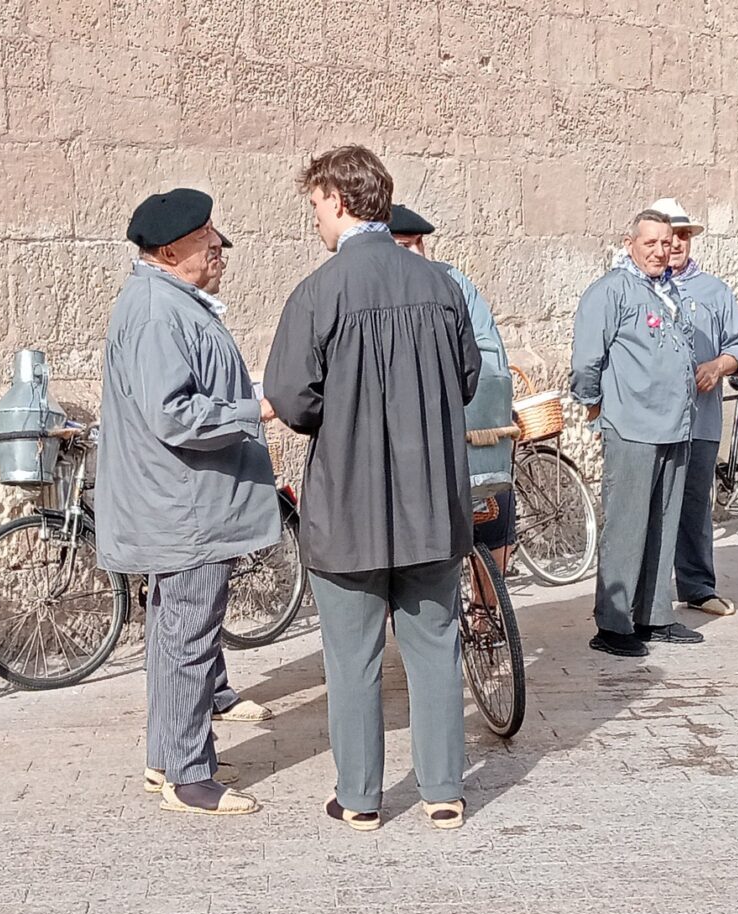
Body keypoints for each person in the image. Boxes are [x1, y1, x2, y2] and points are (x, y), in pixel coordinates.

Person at [264, 146, 480, 833]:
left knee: (351, 658)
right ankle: (444, 789)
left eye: (316, 207)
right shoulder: (442, 285)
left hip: (349, 506)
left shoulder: (319, 292)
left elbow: (291, 400)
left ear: (337, 199)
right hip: (431, 504)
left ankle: (360, 796)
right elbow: (468, 379)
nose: (316, 221)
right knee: (435, 645)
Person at [94, 187, 281, 816]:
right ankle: (189, 776)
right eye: (207, 238)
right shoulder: (156, 311)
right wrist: (252, 409)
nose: (220, 246)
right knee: (189, 639)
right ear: (172, 249)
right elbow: (173, 415)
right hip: (185, 509)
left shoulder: (167, 301)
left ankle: (167, 758)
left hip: (182, 505)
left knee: (176, 636)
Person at [570, 206, 705, 658]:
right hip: (632, 424)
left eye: (666, 244)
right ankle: (613, 624)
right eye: (650, 243)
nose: (660, 251)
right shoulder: (611, 291)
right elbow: (587, 359)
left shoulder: (669, 292)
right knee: (627, 525)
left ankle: (654, 615)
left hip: (674, 424)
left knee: (664, 523)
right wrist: (594, 403)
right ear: (631, 245)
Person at [387, 204, 517, 577]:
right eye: (401, 245)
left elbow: (488, 353)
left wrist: (493, 403)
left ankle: (485, 615)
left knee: (498, 514)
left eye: (416, 245)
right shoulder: (379, 293)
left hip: (466, 425)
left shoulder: (453, 283)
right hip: (410, 439)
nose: (412, 254)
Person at [651, 198, 738, 620]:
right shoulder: (637, 288)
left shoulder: (715, 291)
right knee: (649, 506)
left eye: (684, 236)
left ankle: (697, 586)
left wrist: (719, 365)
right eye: (670, 236)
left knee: (693, 505)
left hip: (700, 419)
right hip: (650, 420)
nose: (677, 244)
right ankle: (643, 595)